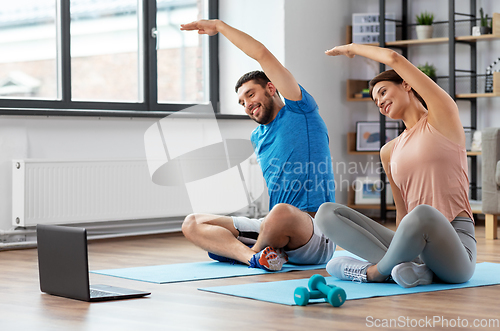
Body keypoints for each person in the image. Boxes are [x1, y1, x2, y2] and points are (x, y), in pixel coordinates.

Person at [179, 19, 336, 271]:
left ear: (272, 88)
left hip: (316, 231)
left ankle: (248, 252)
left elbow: (261, 53)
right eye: (242, 102)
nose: (247, 104)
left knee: (281, 213)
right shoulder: (257, 136)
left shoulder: (301, 110)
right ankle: (257, 258)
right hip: (272, 227)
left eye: (251, 94)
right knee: (192, 223)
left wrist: (219, 26)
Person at [315, 43, 476, 288]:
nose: (379, 102)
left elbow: (393, 58)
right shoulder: (388, 151)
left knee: (423, 213)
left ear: (407, 84)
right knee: (326, 213)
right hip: (412, 244)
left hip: (456, 246)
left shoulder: (443, 118)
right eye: (375, 100)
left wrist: (352, 49)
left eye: (382, 92)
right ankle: (412, 270)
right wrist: (403, 246)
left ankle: (375, 272)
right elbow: (402, 213)